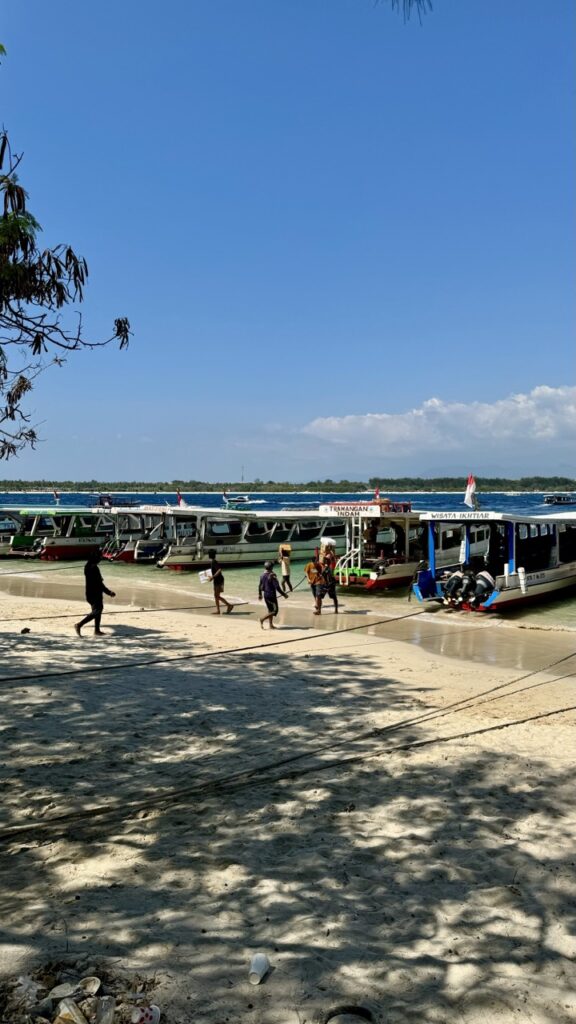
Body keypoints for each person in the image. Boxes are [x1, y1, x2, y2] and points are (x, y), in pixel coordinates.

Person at [75, 551, 116, 637]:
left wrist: (108, 592)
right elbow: (100, 584)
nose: (100, 560)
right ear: (95, 559)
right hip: (94, 594)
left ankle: (97, 630)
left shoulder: (90, 567)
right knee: (97, 611)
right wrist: (109, 592)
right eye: (99, 558)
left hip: (92, 593)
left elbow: (99, 583)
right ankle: (79, 625)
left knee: (97, 611)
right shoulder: (91, 568)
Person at [258, 560, 288, 629]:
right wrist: (284, 594)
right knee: (275, 611)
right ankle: (262, 619)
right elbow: (277, 587)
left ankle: (270, 625)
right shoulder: (272, 576)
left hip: (266, 595)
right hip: (271, 595)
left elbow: (260, 586)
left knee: (270, 610)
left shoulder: (262, 575)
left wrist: (260, 594)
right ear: (271, 568)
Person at [208, 548, 233, 614]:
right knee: (216, 595)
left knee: (216, 596)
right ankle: (218, 610)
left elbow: (219, 570)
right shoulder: (213, 561)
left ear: (209, 555)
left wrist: (212, 577)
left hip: (218, 580)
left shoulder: (213, 562)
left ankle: (229, 605)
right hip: (217, 580)